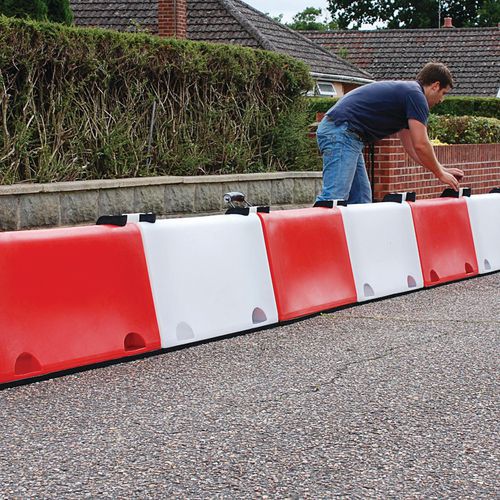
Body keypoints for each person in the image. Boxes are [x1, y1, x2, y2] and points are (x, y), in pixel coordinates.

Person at [315, 62, 464, 204]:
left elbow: (412, 148)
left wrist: (441, 169)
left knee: (361, 199)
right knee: (334, 197)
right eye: (443, 93)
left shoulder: (410, 96)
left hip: (346, 134)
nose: (442, 100)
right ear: (435, 86)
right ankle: (313, 223)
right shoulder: (416, 96)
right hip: (341, 131)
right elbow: (421, 144)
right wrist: (440, 174)